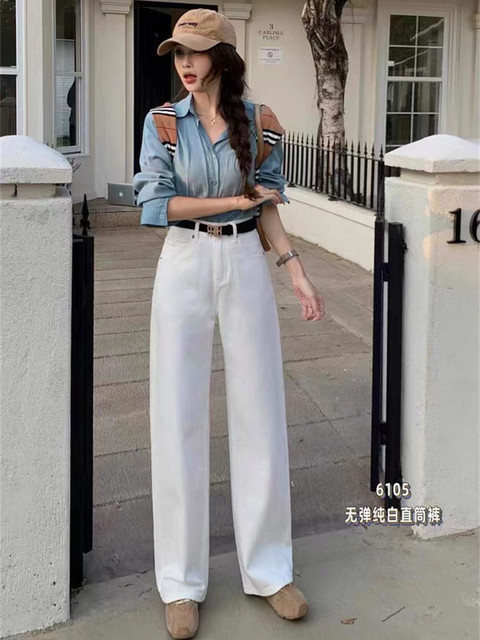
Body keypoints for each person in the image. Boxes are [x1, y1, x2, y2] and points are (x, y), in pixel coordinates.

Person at [133, 8, 325, 639]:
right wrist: (231, 200)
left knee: (259, 410)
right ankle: (181, 583)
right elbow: (156, 204)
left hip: (244, 260)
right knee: (177, 415)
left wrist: (295, 269)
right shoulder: (163, 124)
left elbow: (266, 207)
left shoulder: (260, 123)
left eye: (195, 51)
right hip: (184, 260)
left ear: (222, 56)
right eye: (177, 53)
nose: (185, 63)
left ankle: (269, 572)